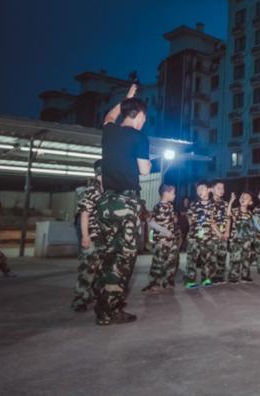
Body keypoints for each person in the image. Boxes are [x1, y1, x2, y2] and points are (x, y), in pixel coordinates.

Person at [94, 83, 150, 326]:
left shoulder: (109, 131)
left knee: (108, 255)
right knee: (123, 259)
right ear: (138, 116)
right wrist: (148, 164)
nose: (144, 123)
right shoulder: (139, 137)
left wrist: (126, 98)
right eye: (144, 118)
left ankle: (103, 302)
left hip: (105, 202)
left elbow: (109, 116)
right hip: (126, 202)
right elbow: (144, 170)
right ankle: (110, 311)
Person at [71, 160, 104, 312]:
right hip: (91, 235)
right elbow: (84, 214)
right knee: (87, 269)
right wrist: (85, 237)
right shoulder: (93, 190)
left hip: (101, 237)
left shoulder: (104, 191)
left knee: (99, 269)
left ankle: (94, 296)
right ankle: (79, 300)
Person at [142, 184, 179, 293]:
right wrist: (165, 231)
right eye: (173, 193)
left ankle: (167, 282)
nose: (175, 195)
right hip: (162, 241)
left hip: (171, 241)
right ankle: (153, 284)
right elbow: (152, 223)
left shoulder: (170, 206)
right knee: (158, 263)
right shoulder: (158, 206)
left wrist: (174, 220)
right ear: (166, 193)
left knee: (172, 261)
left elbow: (169, 221)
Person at [184, 182, 216, 289]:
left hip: (208, 237)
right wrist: (194, 229)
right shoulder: (194, 204)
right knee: (191, 259)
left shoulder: (213, 205)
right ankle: (190, 280)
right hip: (194, 237)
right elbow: (189, 218)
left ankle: (206, 278)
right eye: (198, 190)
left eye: (202, 188)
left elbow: (213, 221)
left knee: (207, 259)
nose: (200, 191)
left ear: (208, 190)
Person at [210, 181, 234, 284]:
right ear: (212, 189)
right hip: (212, 235)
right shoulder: (208, 203)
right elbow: (210, 220)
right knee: (212, 257)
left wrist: (227, 232)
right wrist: (219, 234)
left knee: (222, 255)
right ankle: (210, 277)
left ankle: (220, 276)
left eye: (223, 188)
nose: (221, 190)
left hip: (223, 235)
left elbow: (228, 217)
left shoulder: (225, 203)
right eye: (218, 188)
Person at [229, 192, 255, 283]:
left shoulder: (250, 213)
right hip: (236, 239)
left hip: (247, 240)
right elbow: (228, 214)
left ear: (250, 202)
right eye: (242, 197)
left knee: (246, 258)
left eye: (247, 197)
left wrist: (252, 240)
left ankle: (245, 275)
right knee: (235, 258)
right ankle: (233, 276)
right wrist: (231, 201)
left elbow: (252, 228)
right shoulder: (235, 210)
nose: (243, 198)